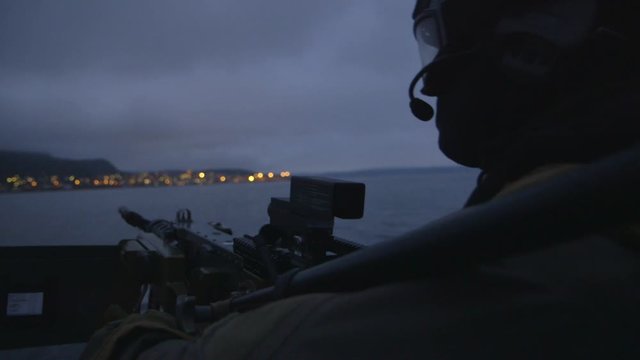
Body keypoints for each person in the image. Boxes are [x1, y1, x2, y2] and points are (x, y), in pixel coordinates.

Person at [82, 0, 640, 358]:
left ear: (531, 45)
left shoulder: (553, 257)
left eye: (440, 37)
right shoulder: (586, 211)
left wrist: (132, 338)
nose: (434, 77)